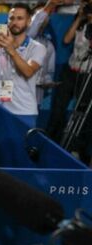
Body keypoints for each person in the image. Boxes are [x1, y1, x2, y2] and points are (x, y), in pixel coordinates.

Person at [0, 3, 46, 128]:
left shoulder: (37, 48)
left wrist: (11, 49)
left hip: (23, 112)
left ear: (28, 21)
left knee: (21, 147)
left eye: (20, 18)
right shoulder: (0, 41)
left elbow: (28, 72)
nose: (14, 22)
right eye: (12, 18)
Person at [46, 0, 92, 164]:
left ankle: (78, 149)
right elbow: (66, 40)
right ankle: (51, 144)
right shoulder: (80, 21)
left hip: (88, 75)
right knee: (58, 109)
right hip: (70, 71)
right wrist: (80, 18)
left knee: (83, 114)